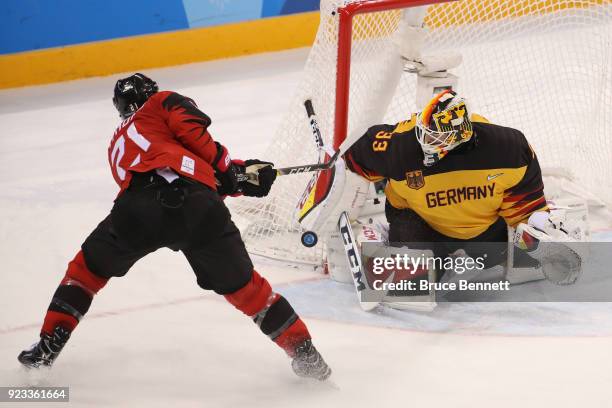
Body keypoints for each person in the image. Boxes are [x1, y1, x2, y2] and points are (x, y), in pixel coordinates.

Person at [17, 73, 331, 381]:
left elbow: (170, 165)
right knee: (248, 291)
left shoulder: (117, 144)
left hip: (138, 209)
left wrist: (242, 176)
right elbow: (192, 139)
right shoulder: (161, 101)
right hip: (199, 208)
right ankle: (304, 353)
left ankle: (47, 347)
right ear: (150, 93)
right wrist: (232, 171)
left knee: (85, 273)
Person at [343, 89, 579, 283]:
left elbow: (523, 207)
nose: (426, 143)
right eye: (425, 134)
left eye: (436, 139)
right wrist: (341, 201)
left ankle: (544, 224)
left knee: (502, 257)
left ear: (460, 136)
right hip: (419, 222)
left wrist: (536, 229)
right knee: (415, 282)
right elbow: (350, 155)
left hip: (481, 228)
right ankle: (389, 236)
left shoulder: (510, 149)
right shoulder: (400, 144)